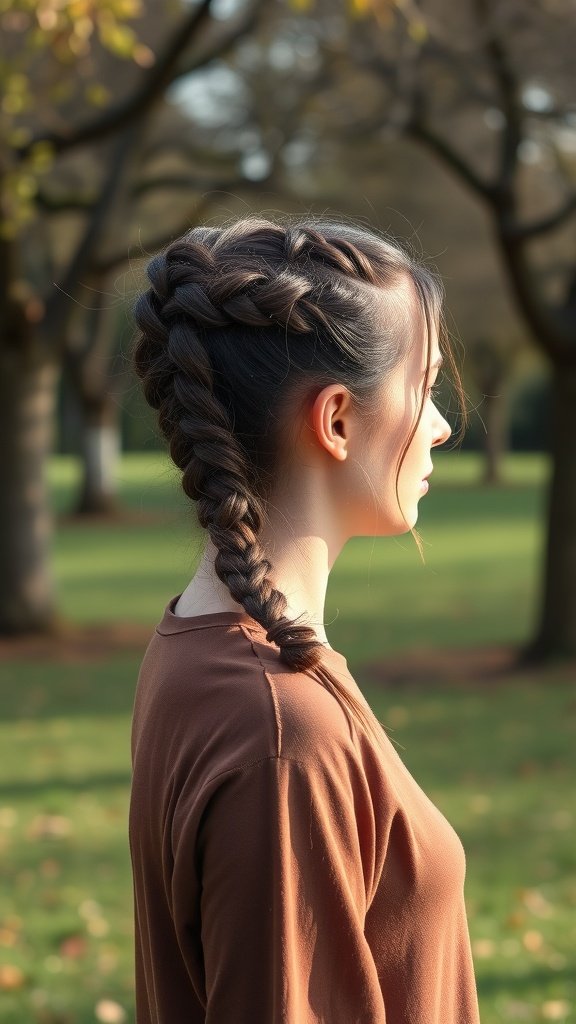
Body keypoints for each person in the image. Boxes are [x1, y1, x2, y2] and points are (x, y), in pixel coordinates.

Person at [128, 216, 481, 1023]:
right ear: (336, 421)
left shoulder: (198, 645)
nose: (440, 425)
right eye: (425, 385)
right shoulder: (282, 733)